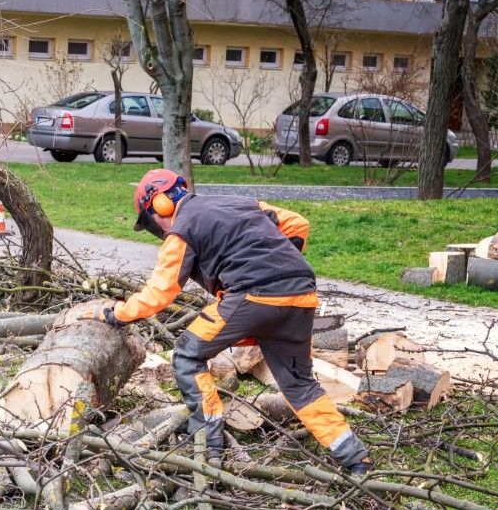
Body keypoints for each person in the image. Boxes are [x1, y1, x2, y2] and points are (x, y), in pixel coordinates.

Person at [88, 168, 372, 476]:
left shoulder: (182, 227)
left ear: (159, 205)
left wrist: (117, 314)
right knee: (300, 386)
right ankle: (356, 459)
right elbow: (298, 224)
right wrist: (276, 262)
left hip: (252, 297)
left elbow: (160, 293)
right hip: (301, 297)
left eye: (151, 220)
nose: (157, 228)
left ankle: (208, 444)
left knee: (187, 354)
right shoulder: (240, 202)